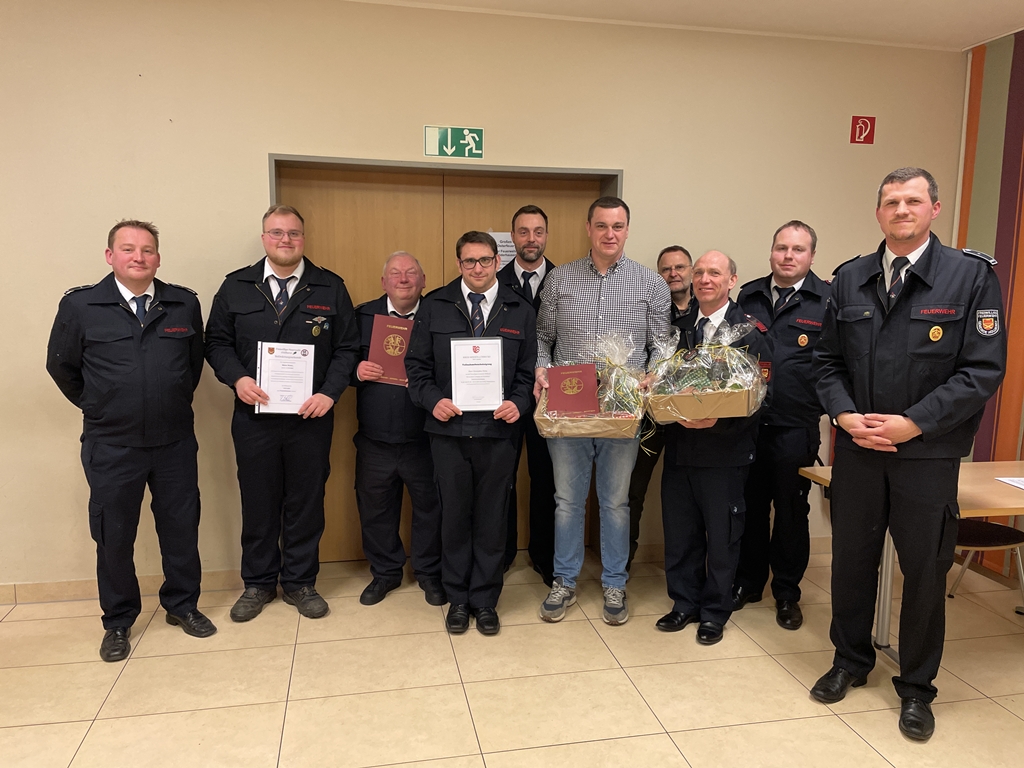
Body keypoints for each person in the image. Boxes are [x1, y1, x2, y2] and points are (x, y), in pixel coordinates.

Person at [811, 167, 1006, 741]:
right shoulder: (850, 278)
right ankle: (850, 660)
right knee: (851, 562)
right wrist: (845, 416)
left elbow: (981, 371)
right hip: (859, 449)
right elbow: (826, 362)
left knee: (924, 571)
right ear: (878, 212)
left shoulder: (970, 277)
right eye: (891, 201)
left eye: (913, 200)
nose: (901, 209)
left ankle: (917, 688)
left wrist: (912, 424)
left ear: (934, 209)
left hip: (928, 453)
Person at [47, 219, 215, 662]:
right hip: (112, 444)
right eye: (127, 249)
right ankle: (118, 620)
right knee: (114, 535)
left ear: (158, 257)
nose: (138, 257)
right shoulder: (81, 305)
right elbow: (61, 366)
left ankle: (182, 606)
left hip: (174, 441)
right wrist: (100, 406)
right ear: (110, 256)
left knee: (181, 528)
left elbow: (192, 366)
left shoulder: (183, 303)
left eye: (147, 250)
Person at [205, 204, 359, 622]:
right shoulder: (236, 286)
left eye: (293, 233)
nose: (285, 240)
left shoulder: (329, 287)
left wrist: (329, 393)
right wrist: (237, 379)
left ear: (303, 239)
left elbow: (348, 348)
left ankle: (300, 582)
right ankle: (258, 583)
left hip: (311, 417)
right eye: (276, 233)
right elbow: (215, 342)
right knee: (258, 500)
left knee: (306, 501)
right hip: (254, 417)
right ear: (264, 239)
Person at [535, 197, 671, 626]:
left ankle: (615, 582)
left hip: (622, 409)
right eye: (601, 225)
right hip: (568, 406)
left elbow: (661, 345)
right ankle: (564, 581)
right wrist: (540, 366)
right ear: (588, 228)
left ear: (627, 229)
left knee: (615, 503)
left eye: (618, 226)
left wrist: (653, 373)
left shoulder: (650, 284)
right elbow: (543, 338)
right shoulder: (559, 279)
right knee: (567, 502)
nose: (609, 234)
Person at [406, 231, 537, 636]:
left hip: (499, 432)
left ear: (497, 261)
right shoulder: (435, 305)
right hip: (448, 431)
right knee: (454, 516)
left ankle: (485, 600)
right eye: (468, 261)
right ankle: (458, 599)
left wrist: (519, 403)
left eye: (484, 260)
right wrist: (433, 401)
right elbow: (416, 368)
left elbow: (528, 373)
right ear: (458, 264)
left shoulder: (519, 309)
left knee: (492, 519)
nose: (477, 268)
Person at [656, 250, 770, 645]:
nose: (705, 279)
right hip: (681, 448)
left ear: (731, 280)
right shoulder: (678, 330)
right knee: (680, 533)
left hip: (726, 454)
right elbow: (664, 381)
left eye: (715, 273)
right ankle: (684, 603)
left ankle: (714, 612)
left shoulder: (749, 332)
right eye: (700, 272)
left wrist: (719, 421)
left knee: (722, 539)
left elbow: (763, 398)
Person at [732, 221, 830, 630]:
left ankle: (787, 592)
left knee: (791, 511)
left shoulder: (827, 300)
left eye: (798, 249)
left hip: (795, 425)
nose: (788, 256)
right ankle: (749, 582)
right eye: (781, 248)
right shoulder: (749, 295)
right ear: (771, 251)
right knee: (750, 507)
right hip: (749, 423)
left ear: (811, 256)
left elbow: (835, 364)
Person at [353, 252, 444, 606]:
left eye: (411, 273)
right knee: (375, 509)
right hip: (375, 437)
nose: (403, 279)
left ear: (423, 281)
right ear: (383, 282)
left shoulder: (440, 315)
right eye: (395, 273)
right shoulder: (362, 317)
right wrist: (356, 371)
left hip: (425, 436)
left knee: (430, 509)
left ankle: (429, 573)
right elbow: (340, 359)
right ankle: (385, 573)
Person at [497, 204, 558, 584]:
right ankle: (501, 554)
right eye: (523, 231)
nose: (531, 239)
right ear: (513, 236)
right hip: (505, 396)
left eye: (538, 231)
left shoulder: (564, 280)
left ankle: (544, 556)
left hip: (552, 396)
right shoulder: (495, 279)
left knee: (547, 479)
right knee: (501, 478)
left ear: (546, 236)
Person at [626, 245, 695, 571]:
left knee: (687, 494)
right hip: (650, 417)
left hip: (692, 418)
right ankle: (621, 565)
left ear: (691, 271)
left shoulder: (708, 310)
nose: (673, 274)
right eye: (666, 269)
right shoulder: (646, 308)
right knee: (632, 491)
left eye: (680, 267)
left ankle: (688, 568)